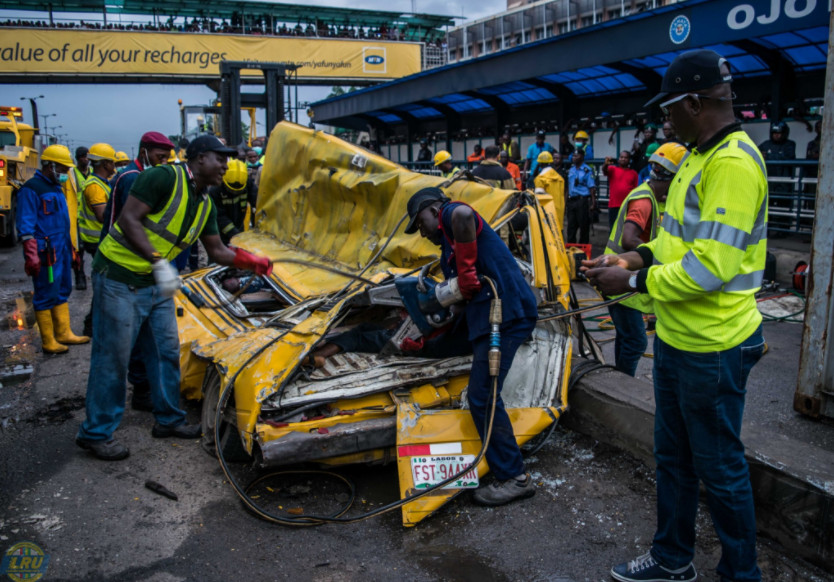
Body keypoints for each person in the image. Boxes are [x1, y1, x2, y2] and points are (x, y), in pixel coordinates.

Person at [584, 49, 768, 582]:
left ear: (693, 101)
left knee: (720, 467)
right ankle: (672, 558)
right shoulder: (695, 157)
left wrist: (633, 280)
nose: (664, 120)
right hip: (679, 339)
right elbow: (675, 243)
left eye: (669, 110)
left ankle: (741, 573)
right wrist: (631, 256)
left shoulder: (731, 163)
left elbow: (711, 267)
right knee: (675, 459)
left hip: (713, 346)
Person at [76, 135, 273, 461]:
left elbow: (217, 250)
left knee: (165, 352)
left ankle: (168, 419)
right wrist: (156, 260)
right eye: (219, 158)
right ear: (198, 159)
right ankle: (96, 433)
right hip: (119, 278)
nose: (225, 165)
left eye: (227, 159)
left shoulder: (205, 203)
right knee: (114, 358)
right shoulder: (163, 177)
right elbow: (128, 219)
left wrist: (249, 260)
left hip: (155, 283)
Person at [404, 187, 538, 506]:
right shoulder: (448, 250)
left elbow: (464, 216)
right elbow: (465, 296)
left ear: (435, 211)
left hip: (506, 316)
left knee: (482, 396)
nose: (421, 232)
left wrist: (464, 273)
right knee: (480, 391)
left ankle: (515, 478)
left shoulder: (453, 215)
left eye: (420, 223)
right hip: (490, 317)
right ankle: (506, 459)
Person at [99, 131, 175, 413]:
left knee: (144, 338)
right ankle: (139, 391)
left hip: (137, 266)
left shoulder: (137, 174)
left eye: (167, 156)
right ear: (144, 151)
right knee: (129, 342)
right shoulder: (133, 177)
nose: (163, 161)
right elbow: (124, 224)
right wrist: (156, 260)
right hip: (127, 268)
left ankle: (147, 393)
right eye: (159, 155)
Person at [603, 142, 687, 377]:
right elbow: (630, 238)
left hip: (620, 279)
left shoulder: (654, 196)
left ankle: (619, 377)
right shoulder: (644, 200)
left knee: (626, 336)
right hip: (621, 280)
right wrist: (661, 258)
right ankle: (624, 384)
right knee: (636, 342)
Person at [16, 145, 89, 354]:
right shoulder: (32, 189)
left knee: (62, 289)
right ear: (50, 166)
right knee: (46, 292)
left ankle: (64, 333)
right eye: (63, 169)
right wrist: (32, 255)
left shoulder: (56, 188)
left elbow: (63, 223)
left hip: (62, 248)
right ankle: (49, 340)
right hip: (45, 252)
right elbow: (25, 226)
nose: (66, 174)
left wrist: (72, 250)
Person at [79, 143, 117, 336]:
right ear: (104, 164)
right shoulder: (94, 186)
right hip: (96, 242)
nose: (114, 166)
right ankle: (91, 325)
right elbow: (104, 216)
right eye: (112, 162)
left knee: (106, 285)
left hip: (100, 240)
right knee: (103, 285)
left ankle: (96, 323)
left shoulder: (103, 183)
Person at [759, 121, 796, 234]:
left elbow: (788, 157)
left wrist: (769, 156)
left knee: (783, 205)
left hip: (784, 182)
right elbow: (756, 152)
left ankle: (783, 231)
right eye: (774, 132)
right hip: (770, 181)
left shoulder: (790, 144)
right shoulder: (766, 144)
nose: (777, 135)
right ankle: (768, 230)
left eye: (779, 133)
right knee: (767, 206)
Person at [209, 159, 258, 245]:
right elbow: (219, 216)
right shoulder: (215, 190)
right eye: (232, 190)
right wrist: (236, 235)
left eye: (238, 191)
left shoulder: (248, 183)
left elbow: (257, 202)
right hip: (219, 231)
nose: (235, 193)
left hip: (239, 225)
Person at [565, 148, 596, 244]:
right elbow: (568, 186)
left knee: (583, 227)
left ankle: (583, 250)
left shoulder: (587, 170)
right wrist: (566, 201)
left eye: (576, 156)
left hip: (582, 201)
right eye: (573, 156)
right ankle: (571, 249)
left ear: (582, 157)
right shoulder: (571, 170)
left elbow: (592, 188)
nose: (574, 158)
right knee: (571, 227)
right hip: (572, 201)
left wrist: (593, 203)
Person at [70, 146, 91, 290]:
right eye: (83, 157)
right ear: (78, 159)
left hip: (91, 217)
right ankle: (80, 276)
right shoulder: (72, 174)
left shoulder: (93, 173)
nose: (86, 159)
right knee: (78, 250)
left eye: (87, 157)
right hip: (77, 216)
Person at [602, 151, 639, 230]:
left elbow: (635, 190)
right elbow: (604, 170)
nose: (623, 159)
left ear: (629, 160)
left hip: (628, 205)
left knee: (626, 228)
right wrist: (606, 163)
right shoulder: (612, 169)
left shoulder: (634, 173)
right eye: (621, 157)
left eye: (625, 158)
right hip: (614, 205)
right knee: (613, 228)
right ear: (618, 159)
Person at [533, 151, 566, 227]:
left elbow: (539, 199)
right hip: (559, 210)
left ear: (540, 163)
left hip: (547, 212)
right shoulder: (560, 178)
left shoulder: (540, 178)